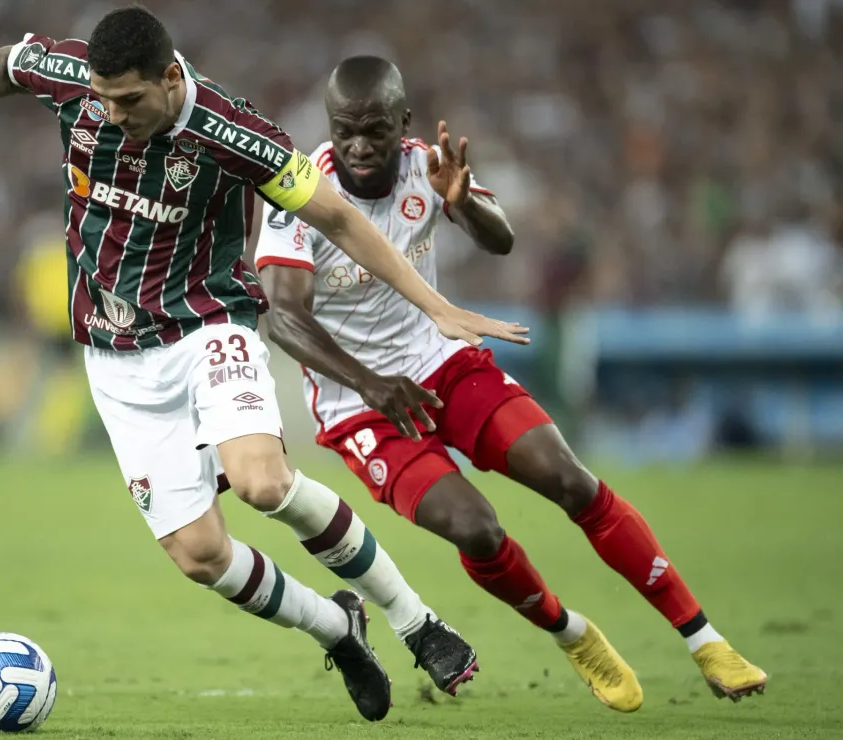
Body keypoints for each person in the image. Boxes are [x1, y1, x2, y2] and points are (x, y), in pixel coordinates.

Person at [0, 8, 529, 721]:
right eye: (104, 100)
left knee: (263, 483)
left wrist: (434, 304)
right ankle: (337, 628)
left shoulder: (234, 133)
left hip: (208, 324)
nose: (113, 115)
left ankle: (417, 622)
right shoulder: (74, 77)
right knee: (202, 555)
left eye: (130, 101)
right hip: (115, 356)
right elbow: (11, 64)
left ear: (171, 77)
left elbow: (342, 220)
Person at [255, 56, 767, 713]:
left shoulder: (424, 164)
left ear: (402, 122)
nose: (358, 145)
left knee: (570, 479)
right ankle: (571, 633)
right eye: (344, 129)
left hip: (440, 362)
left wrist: (463, 203)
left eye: (375, 130)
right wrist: (373, 385)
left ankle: (705, 639)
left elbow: (501, 241)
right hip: (361, 407)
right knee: (479, 531)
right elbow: (285, 320)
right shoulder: (299, 192)